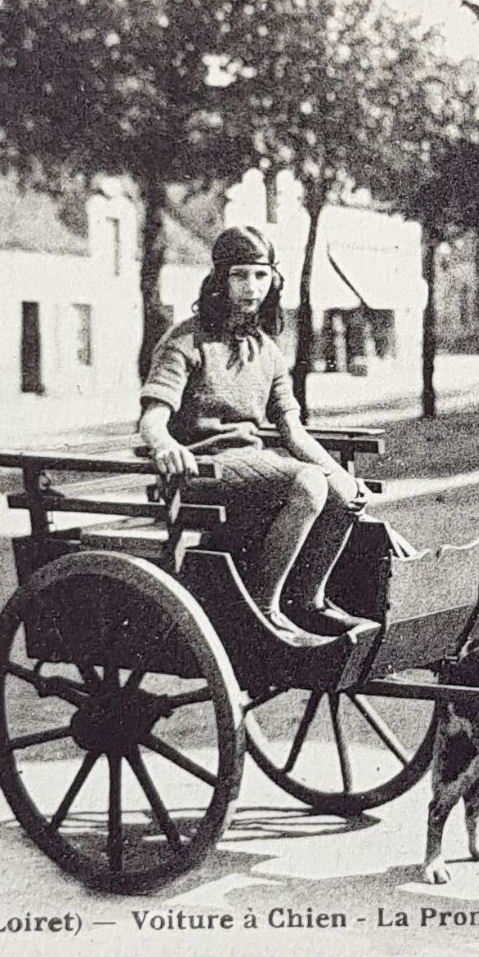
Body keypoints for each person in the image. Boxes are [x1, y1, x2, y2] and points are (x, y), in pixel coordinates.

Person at [139, 225, 371, 648]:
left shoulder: (266, 349)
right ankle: (264, 609)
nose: (251, 287)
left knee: (339, 490)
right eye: (240, 275)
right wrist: (165, 445)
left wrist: (342, 475)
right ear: (219, 281)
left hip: (250, 469)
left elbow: (293, 432)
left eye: (261, 276)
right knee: (307, 482)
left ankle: (307, 601)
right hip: (198, 473)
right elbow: (152, 418)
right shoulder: (186, 341)